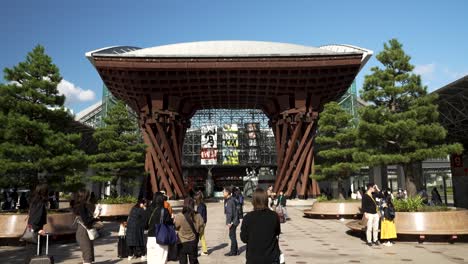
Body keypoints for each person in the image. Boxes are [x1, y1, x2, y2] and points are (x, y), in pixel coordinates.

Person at [240, 188, 281, 264]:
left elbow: (244, 238)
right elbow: (277, 232)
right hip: (271, 257)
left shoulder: (248, 217)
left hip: (254, 259)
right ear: (266, 200)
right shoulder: (274, 216)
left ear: (254, 201)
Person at [175, 197, 205, 264]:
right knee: (193, 261)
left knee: (182, 262)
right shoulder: (198, 216)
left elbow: (176, 227)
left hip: (182, 243)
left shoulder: (179, 216)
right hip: (193, 242)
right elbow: (201, 229)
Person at [147, 192, 173, 264]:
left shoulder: (148, 209)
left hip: (150, 238)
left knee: (151, 260)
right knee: (161, 260)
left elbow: (145, 224)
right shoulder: (164, 210)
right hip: (161, 237)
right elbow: (170, 223)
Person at [25, 184, 48, 262]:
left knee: (30, 254)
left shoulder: (35, 201)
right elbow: (35, 218)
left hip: (30, 231)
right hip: (34, 232)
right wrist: (38, 230)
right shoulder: (40, 203)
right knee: (34, 256)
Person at [73, 189, 96, 264]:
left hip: (82, 231)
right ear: (84, 196)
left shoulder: (79, 205)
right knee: (87, 254)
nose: (89, 197)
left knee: (87, 253)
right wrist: (95, 218)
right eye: (87, 195)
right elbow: (86, 221)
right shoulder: (81, 206)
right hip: (83, 231)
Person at [224, 186, 240, 256]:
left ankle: (233, 251)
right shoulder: (232, 199)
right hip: (235, 220)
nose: (223, 193)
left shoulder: (230, 201)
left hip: (233, 221)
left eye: (224, 192)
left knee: (232, 236)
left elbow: (230, 213)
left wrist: (229, 222)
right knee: (232, 235)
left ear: (227, 193)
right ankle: (235, 250)